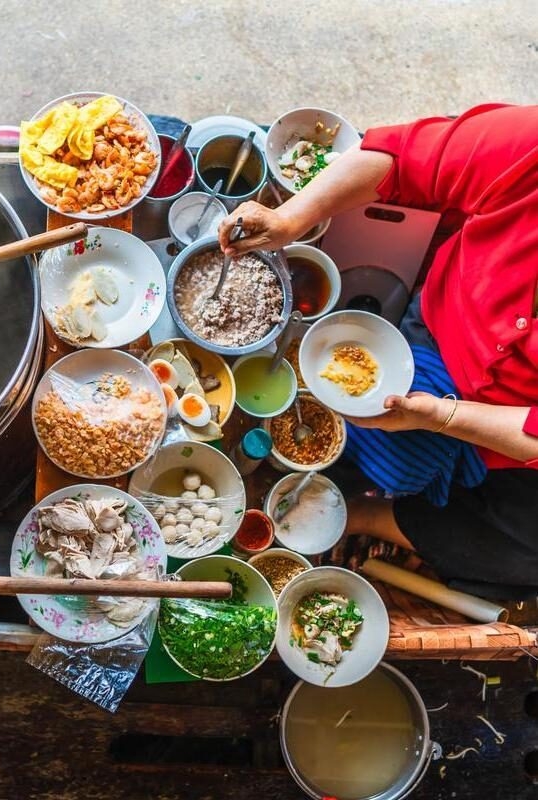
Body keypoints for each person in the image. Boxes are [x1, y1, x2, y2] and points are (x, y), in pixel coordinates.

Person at [219, 103, 538, 600]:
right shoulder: (531, 148)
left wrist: (443, 418)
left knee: (523, 552)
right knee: (363, 431)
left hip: (514, 439)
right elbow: (404, 159)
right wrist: (289, 219)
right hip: (438, 330)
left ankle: (362, 514)